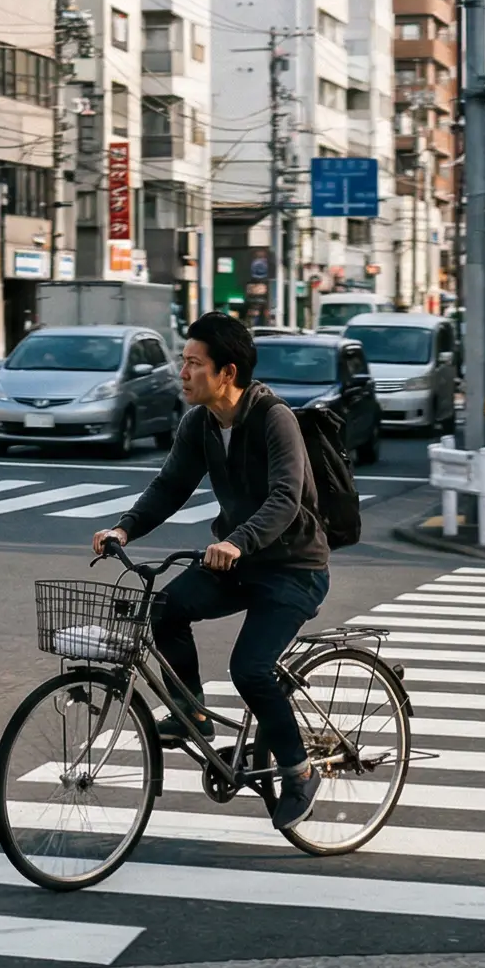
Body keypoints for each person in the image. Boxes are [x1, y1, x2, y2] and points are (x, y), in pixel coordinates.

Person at [91, 312, 330, 836]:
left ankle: (299, 771)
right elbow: (170, 485)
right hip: (239, 561)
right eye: (184, 361)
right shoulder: (199, 423)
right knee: (164, 607)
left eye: (193, 363)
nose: (182, 372)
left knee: (250, 669)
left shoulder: (274, 419)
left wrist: (236, 541)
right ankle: (192, 712)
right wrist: (125, 530)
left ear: (227, 372)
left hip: (293, 568)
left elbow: (285, 499)